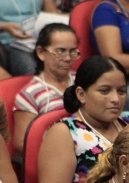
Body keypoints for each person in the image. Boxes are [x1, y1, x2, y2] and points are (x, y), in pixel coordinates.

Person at [38, 56, 129, 183]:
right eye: (104, 91)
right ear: (81, 94)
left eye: (121, 91)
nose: (115, 99)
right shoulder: (64, 132)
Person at [11, 24, 79, 154]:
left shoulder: (84, 82)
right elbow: (21, 144)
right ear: (41, 52)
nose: (68, 58)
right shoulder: (30, 94)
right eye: (60, 51)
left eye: (73, 52)